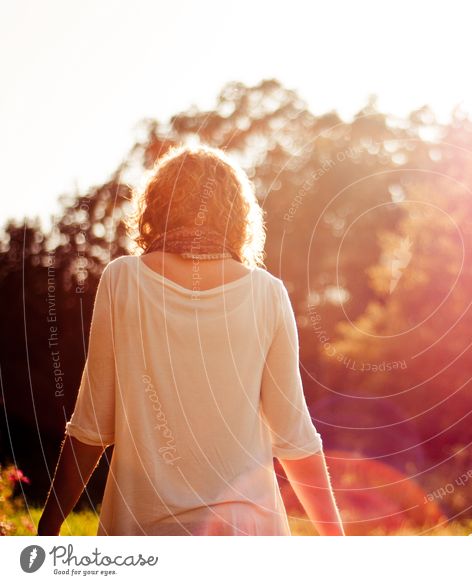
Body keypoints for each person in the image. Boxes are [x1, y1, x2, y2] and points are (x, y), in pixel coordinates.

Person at [38, 145, 344, 536]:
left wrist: (45, 534)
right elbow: (294, 435)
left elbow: (92, 427)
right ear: (236, 215)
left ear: (154, 208)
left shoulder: (123, 281)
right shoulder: (267, 293)